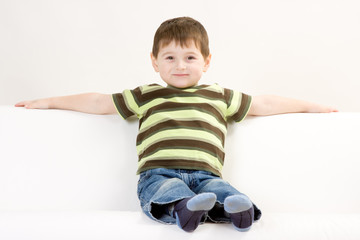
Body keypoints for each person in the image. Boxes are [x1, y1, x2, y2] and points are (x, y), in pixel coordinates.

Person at [15, 17, 337, 232]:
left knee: (222, 191)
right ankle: (185, 210)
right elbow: (99, 102)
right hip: (159, 172)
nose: (180, 65)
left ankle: (238, 213)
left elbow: (264, 104)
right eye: (169, 58)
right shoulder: (145, 95)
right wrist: (48, 101)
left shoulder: (219, 95)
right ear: (154, 62)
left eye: (190, 57)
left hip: (206, 175)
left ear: (206, 61)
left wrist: (311, 106)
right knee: (168, 191)